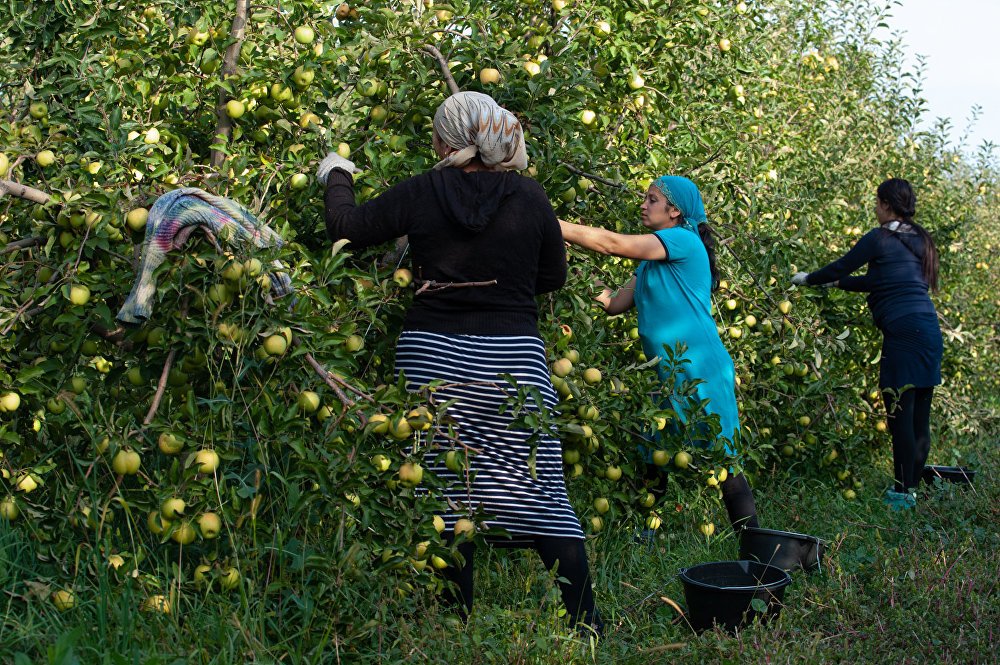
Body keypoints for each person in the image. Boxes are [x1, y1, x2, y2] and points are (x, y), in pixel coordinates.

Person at [317, 91, 601, 633]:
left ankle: (456, 623)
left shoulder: (423, 191)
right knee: (540, 493)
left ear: (448, 139)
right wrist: (509, 285)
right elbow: (554, 278)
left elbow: (345, 227)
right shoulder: (531, 196)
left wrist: (337, 172)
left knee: (445, 491)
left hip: (434, 356)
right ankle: (585, 624)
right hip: (512, 358)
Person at [559, 175, 759, 532]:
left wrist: (552, 224)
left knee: (724, 462)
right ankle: (640, 541)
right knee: (651, 454)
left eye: (652, 199)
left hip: (700, 368)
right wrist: (574, 267)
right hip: (665, 374)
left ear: (675, 210)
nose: (644, 204)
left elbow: (610, 244)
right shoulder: (650, 262)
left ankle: (758, 549)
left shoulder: (682, 240)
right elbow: (613, 303)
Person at [792, 177, 942, 510]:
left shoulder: (880, 238)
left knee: (900, 415)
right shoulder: (922, 240)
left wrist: (810, 279)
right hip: (928, 330)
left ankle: (901, 495)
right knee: (919, 415)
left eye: (877, 203)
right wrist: (838, 284)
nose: (875, 209)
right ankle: (912, 490)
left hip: (902, 333)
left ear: (886, 204)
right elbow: (877, 281)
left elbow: (845, 263)